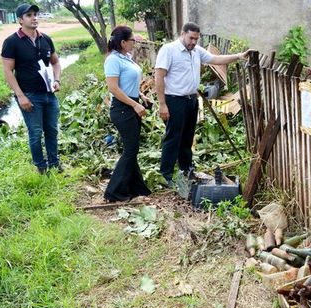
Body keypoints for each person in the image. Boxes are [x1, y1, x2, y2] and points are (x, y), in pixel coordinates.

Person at [154, 22, 251, 187]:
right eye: (191, 38)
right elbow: (159, 76)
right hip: (175, 100)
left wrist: (239, 56)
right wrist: (162, 104)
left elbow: (216, 59)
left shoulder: (196, 51)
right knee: (173, 137)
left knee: (187, 137)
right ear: (182, 34)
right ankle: (166, 175)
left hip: (192, 99)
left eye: (196, 39)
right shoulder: (169, 50)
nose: (193, 42)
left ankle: (186, 169)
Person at [2, 3, 62, 174]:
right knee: (35, 133)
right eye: (29, 15)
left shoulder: (46, 39)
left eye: (35, 14)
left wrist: (57, 80)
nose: (34, 17)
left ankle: (54, 163)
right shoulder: (12, 42)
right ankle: (41, 167)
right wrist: (20, 96)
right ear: (20, 20)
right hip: (29, 95)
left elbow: (55, 62)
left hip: (49, 94)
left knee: (52, 130)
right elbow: (8, 70)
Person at [103, 25, 151, 202]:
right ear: (123, 42)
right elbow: (114, 88)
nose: (134, 43)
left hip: (131, 104)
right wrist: (134, 105)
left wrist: (140, 96)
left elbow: (127, 83)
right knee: (131, 150)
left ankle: (136, 187)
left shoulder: (127, 57)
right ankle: (113, 192)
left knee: (132, 149)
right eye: (132, 40)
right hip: (122, 109)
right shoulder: (113, 60)